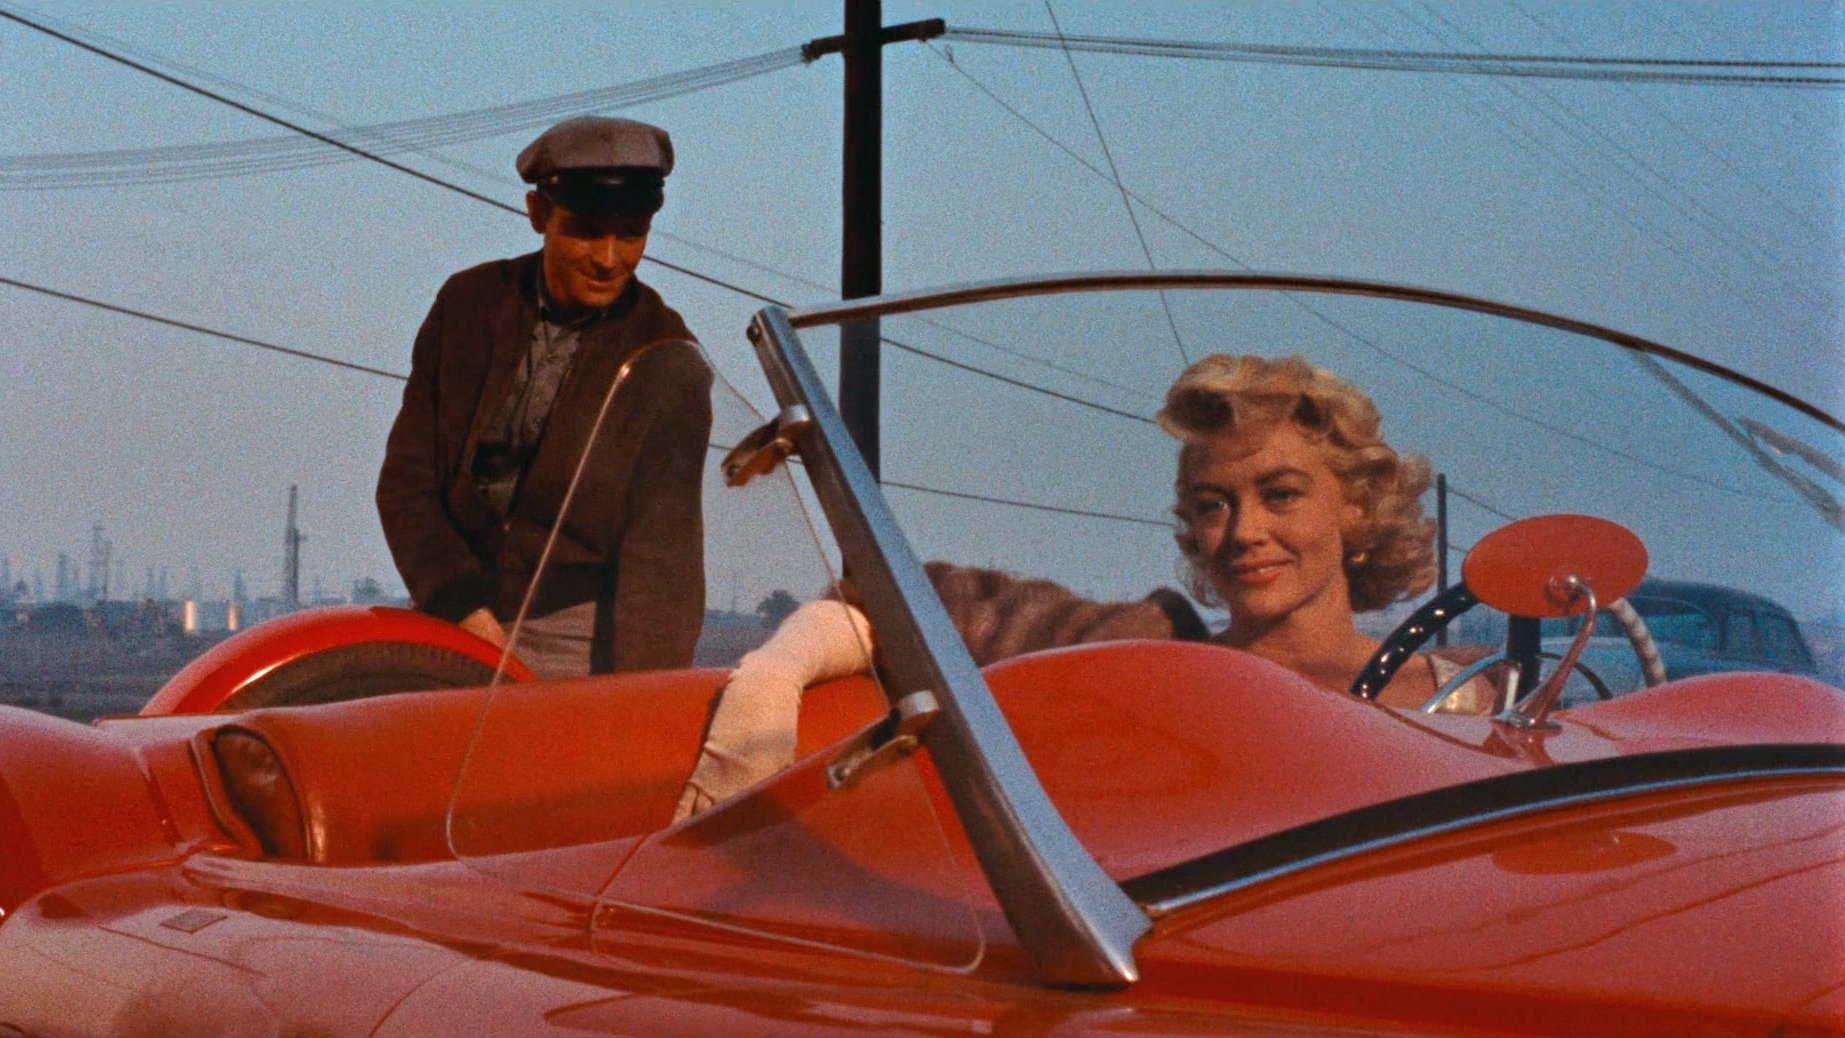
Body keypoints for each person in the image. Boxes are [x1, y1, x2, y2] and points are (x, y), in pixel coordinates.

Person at [674, 353, 1486, 820]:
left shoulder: (1465, 695)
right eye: (1212, 505)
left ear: (1354, 505)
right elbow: (911, 601)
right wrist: (776, 673)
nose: (1242, 532)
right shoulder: (1146, 654)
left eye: (1279, 495)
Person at [376, 116, 712, 677]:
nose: (609, 258)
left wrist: (640, 704)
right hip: (446, 613)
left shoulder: (667, 358)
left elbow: (662, 565)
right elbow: (406, 485)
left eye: (632, 234)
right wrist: (460, 608)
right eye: (586, 231)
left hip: (572, 645)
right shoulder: (467, 305)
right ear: (538, 215)